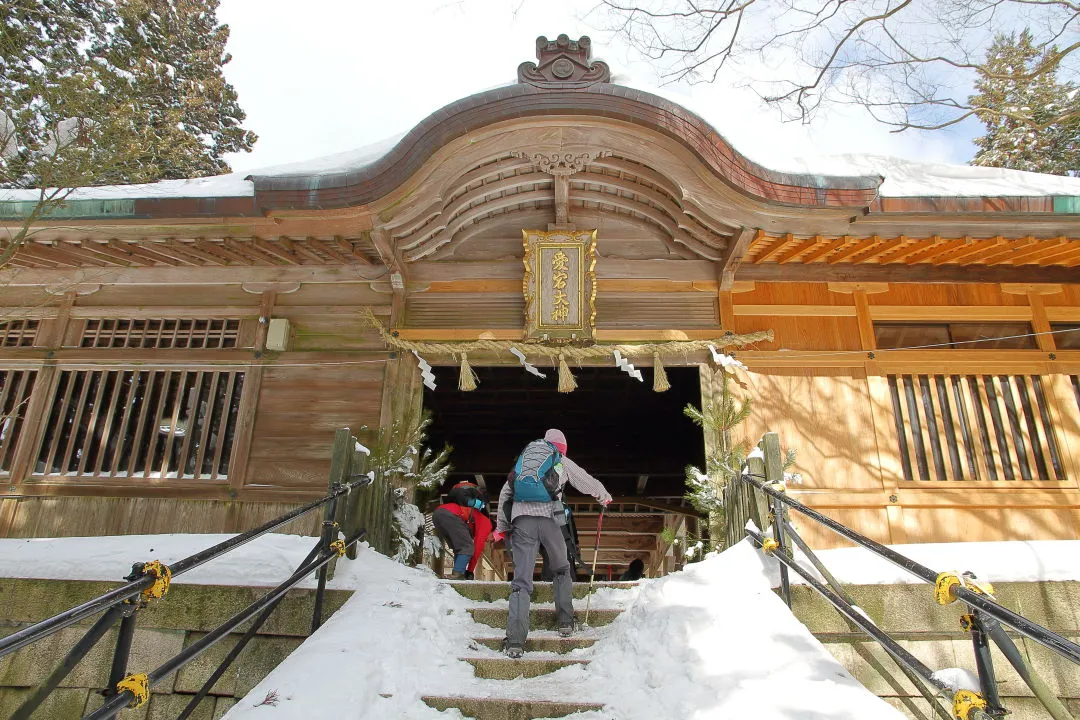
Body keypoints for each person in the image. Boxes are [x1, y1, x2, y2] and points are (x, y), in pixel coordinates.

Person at [493, 429, 611, 658]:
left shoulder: (524, 461)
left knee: (521, 581)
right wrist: (603, 495)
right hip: (551, 521)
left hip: (522, 522)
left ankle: (516, 641)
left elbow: (505, 492)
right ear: (562, 447)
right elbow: (585, 480)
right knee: (561, 568)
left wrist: (501, 527)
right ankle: (565, 622)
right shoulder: (561, 461)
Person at [432, 481, 492, 580]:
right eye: (492, 539)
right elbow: (476, 547)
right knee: (467, 547)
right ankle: (458, 574)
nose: (489, 540)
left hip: (437, 514)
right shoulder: (486, 523)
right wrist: (470, 571)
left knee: (459, 549)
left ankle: (458, 572)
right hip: (451, 515)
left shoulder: (470, 512)